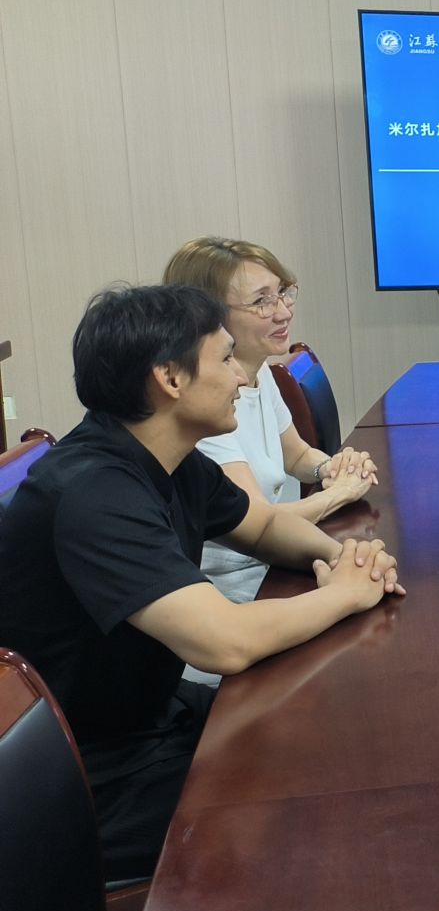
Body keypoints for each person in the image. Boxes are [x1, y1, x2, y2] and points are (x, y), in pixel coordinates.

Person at [0, 285, 404, 878]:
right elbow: (222, 643)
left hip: (149, 715)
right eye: (225, 358)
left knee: (338, 733)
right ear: (170, 378)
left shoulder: (171, 460)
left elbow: (262, 525)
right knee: (328, 801)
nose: (242, 377)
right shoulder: (94, 493)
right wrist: (345, 593)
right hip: (83, 779)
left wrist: (347, 557)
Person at [163, 236, 380, 603]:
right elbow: (259, 524)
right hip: (241, 588)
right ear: (208, 317)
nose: (283, 312)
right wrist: (340, 492)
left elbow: (297, 455)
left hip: (278, 564)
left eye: (282, 293)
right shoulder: (204, 408)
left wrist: (333, 468)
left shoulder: (259, 370)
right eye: (261, 301)